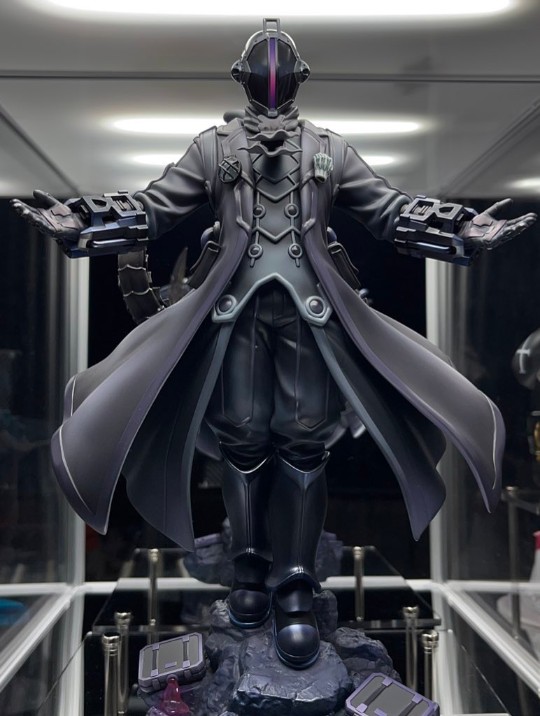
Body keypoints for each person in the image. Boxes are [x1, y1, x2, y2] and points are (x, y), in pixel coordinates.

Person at [11, 19, 536, 669]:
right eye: (258, 67)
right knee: (243, 443)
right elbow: (153, 207)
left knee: (303, 446)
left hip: (311, 318)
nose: (270, 73)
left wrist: (460, 229)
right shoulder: (214, 147)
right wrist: (84, 221)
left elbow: (390, 211)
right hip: (233, 317)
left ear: (300, 77)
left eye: (281, 65)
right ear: (239, 78)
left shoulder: (329, 148)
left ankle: (294, 586)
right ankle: (249, 571)